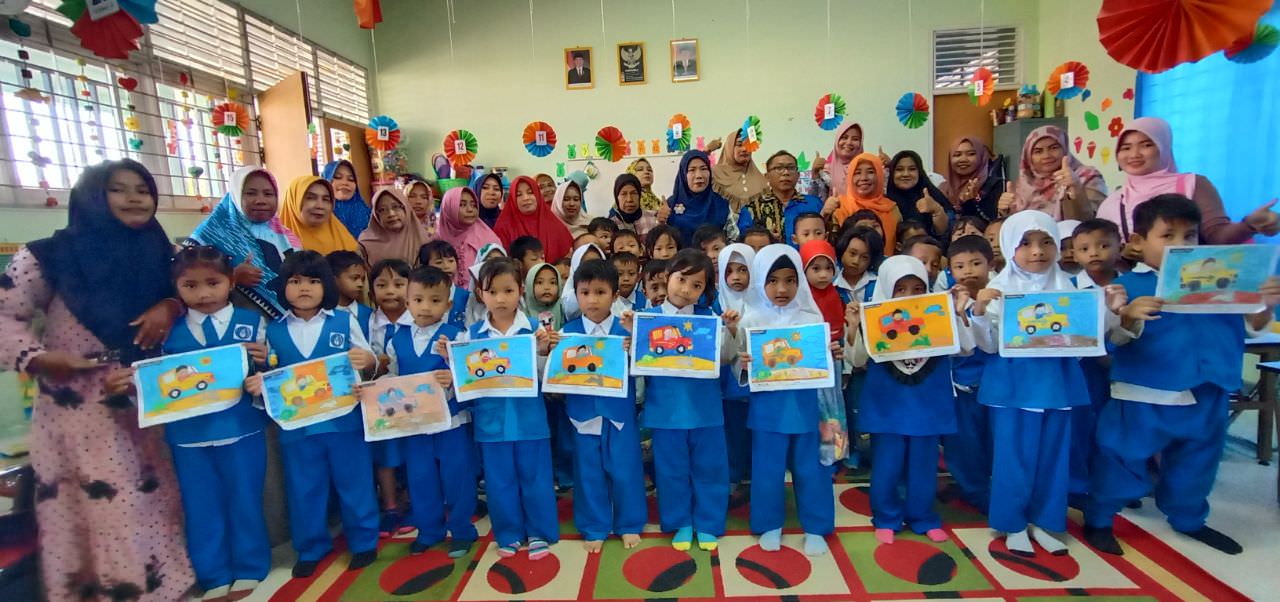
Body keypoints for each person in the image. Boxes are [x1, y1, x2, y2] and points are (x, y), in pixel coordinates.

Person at [0, 160, 193, 601]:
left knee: (155, 498)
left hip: (146, 396)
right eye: (119, 189)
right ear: (91, 197)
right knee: (105, 504)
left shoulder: (162, 253)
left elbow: (195, 288)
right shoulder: (48, 256)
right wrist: (39, 358)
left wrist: (170, 305)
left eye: (143, 189)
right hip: (80, 404)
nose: (134, 199)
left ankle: (165, 587)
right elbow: (5, 315)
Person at [1084, 195, 1280, 557]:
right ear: (1139, 242)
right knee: (1121, 457)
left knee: (1198, 461)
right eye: (1167, 236)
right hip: (1144, 393)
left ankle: (1189, 518)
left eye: (1189, 236)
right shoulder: (1125, 287)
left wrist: (1264, 305)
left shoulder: (1220, 281)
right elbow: (1109, 341)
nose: (1180, 245)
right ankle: (1099, 518)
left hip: (1209, 387)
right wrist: (1127, 317)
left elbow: (1250, 325)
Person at [970, 210, 1101, 557]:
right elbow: (987, 346)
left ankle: (1045, 521)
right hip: (1012, 388)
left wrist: (1108, 313)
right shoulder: (998, 289)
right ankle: (1012, 523)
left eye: (1046, 242)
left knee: (1053, 459)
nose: (1037, 251)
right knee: (1012, 459)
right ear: (1009, 247)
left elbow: (1083, 341)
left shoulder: (1069, 289)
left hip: (1057, 386)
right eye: (1025, 243)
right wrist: (980, 311)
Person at [244, 251, 378, 578]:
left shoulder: (343, 321)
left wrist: (368, 361)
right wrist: (259, 383)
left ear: (327, 286)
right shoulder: (272, 330)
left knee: (355, 483)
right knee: (304, 489)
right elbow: (267, 374)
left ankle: (364, 542)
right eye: (295, 281)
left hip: (344, 422)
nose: (304, 288)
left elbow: (369, 359)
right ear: (283, 286)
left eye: (314, 281)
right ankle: (311, 547)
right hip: (298, 428)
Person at [154, 246, 271, 600]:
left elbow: (273, 372)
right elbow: (156, 382)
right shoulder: (168, 331)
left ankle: (250, 566)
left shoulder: (252, 323)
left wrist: (266, 363)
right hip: (188, 437)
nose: (204, 293)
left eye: (213, 282)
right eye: (190, 285)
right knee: (200, 505)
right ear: (176, 287)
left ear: (231, 281)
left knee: (246, 499)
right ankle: (213, 573)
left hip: (242, 428)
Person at [847, 255, 969, 544]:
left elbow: (965, 348)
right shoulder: (872, 316)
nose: (909, 296)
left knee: (924, 465)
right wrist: (855, 326)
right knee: (887, 465)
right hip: (888, 405)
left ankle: (923, 516)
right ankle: (886, 516)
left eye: (918, 289)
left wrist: (958, 314)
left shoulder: (939, 315)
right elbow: (858, 360)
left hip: (927, 404)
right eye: (900, 289)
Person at [444, 258, 559, 559]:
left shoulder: (534, 328)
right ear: (480, 294)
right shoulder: (471, 335)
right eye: (492, 291)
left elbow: (547, 376)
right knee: (499, 482)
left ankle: (539, 532)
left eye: (508, 290)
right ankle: (509, 533)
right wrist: (450, 360)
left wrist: (544, 351)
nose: (500, 298)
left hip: (530, 421)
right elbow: (464, 379)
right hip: (491, 423)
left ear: (520, 290)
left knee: (535, 479)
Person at [627, 249, 740, 551]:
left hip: (706, 410)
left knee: (710, 468)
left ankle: (708, 523)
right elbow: (637, 364)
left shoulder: (709, 318)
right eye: (681, 279)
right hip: (665, 411)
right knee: (671, 471)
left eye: (696, 285)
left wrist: (731, 331)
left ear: (705, 290)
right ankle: (681, 522)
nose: (687, 289)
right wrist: (631, 335)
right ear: (668, 277)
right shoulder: (648, 318)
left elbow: (726, 358)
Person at [737, 245, 837, 556]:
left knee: (811, 469)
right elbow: (740, 366)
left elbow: (820, 363)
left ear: (799, 282)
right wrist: (743, 364)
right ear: (760, 281)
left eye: (790, 280)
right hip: (767, 411)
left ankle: (816, 527)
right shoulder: (751, 318)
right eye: (773, 280)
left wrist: (831, 354)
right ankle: (769, 524)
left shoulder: (810, 315)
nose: (782, 289)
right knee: (767, 470)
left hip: (806, 408)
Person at [556, 259, 647, 552]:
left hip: (619, 414)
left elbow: (646, 367)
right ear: (576, 294)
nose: (592, 300)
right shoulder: (567, 332)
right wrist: (549, 349)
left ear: (614, 294)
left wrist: (634, 348)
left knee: (626, 468)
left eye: (600, 292)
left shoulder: (626, 329)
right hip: (582, 414)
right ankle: (594, 525)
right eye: (585, 293)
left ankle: (629, 523)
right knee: (588, 472)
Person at [388, 266, 478, 558]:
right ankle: (429, 531)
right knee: (420, 478)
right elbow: (390, 378)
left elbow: (471, 376)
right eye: (418, 300)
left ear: (448, 305)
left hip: (451, 422)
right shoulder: (396, 339)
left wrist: (453, 373)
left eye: (435, 300)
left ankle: (462, 530)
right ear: (407, 301)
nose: (425, 307)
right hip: (415, 425)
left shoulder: (457, 336)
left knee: (457, 478)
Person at [1096, 116, 1280, 251]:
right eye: (1126, 148)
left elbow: (1217, 236)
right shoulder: (1112, 202)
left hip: (1192, 280)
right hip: (1135, 287)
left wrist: (1248, 225)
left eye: (1146, 145)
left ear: (1164, 147)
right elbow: (1101, 252)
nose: (1134, 154)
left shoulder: (1193, 184)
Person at [189, 165, 300, 319]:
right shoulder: (211, 235)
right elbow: (189, 284)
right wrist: (232, 278)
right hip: (232, 321)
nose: (261, 200)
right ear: (235, 195)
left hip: (287, 324)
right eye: (250, 193)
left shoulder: (287, 237)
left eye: (268, 194)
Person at [940, 234, 996, 511]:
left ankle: (997, 489)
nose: (968, 271)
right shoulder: (945, 303)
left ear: (991, 264)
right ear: (950, 270)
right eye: (960, 266)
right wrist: (958, 311)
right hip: (961, 387)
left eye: (976, 263)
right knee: (964, 444)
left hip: (995, 386)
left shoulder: (1001, 297)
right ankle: (974, 491)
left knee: (996, 441)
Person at [716, 243, 755, 499]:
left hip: (759, 383)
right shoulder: (714, 303)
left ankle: (752, 476)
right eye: (729, 271)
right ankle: (733, 476)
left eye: (743, 270)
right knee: (732, 432)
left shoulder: (763, 301)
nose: (736, 277)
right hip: (726, 384)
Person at [1013, 125, 1106, 221]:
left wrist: (1076, 188)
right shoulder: (1025, 184)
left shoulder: (1088, 176)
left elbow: (1095, 221)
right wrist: (1007, 211)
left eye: (1054, 148)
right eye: (1038, 151)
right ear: (1028, 156)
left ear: (1065, 149)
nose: (1046, 156)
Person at [737, 151, 829, 244]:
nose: (786, 172)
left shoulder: (813, 204)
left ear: (798, 175)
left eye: (791, 168)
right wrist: (766, 239)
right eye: (779, 168)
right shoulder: (752, 208)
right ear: (767, 176)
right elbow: (744, 241)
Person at [495, 175, 574, 263]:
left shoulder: (556, 225)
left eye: (530, 192)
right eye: (518, 195)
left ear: (537, 194)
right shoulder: (503, 228)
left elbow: (568, 259)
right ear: (512, 199)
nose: (526, 198)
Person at [434, 187, 502, 289]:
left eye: (473, 205)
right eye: (462, 205)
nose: (470, 210)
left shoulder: (488, 238)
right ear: (449, 207)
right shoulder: (435, 237)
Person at [834, 153, 900, 255]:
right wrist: (825, 213)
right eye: (857, 173)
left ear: (879, 175)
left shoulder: (892, 209)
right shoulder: (839, 206)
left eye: (870, 172)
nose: (864, 178)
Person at [280, 175, 359, 254]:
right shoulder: (278, 242)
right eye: (311, 198)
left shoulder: (342, 237)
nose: (320, 206)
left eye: (326, 199)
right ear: (294, 201)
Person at [712, 130, 768, 240]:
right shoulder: (714, 175)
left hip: (756, 240)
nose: (744, 149)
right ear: (729, 148)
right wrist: (707, 150)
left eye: (748, 145)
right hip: (723, 240)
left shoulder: (761, 179)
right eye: (739, 145)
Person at [667, 150, 730, 246]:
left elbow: (732, 241)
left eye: (703, 169)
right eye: (692, 170)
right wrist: (660, 222)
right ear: (683, 174)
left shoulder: (721, 204)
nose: (699, 176)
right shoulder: (669, 205)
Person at [940, 137, 1008, 223]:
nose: (963, 159)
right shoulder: (943, 188)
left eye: (971, 154)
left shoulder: (994, 185)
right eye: (957, 155)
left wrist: (974, 202)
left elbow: (994, 220)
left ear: (981, 156)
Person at [359, 188, 431, 267]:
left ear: (406, 208)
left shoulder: (421, 238)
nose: (391, 214)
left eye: (395, 207)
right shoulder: (366, 243)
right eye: (382, 210)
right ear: (376, 215)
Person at [885, 150, 950, 237]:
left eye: (912, 169)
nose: (905, 174)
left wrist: (936, 210)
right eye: (899, 169)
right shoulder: (884, 202)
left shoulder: (932, 196)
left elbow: (946, 234)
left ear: (920, 172)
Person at [419, 240, 470, 330]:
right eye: (439, 262)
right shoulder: (418, 295)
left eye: (451, 261)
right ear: (425, 266)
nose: (446, 266)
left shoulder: (465, 296)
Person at [809, 121, 863, 201]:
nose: (849, 142)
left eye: (855, 139)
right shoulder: (826, 171)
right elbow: (816, 202)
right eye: (844, 137)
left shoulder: (866, 168)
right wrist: (815, 174)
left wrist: (883, 168)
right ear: (837, 140)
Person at [329, 250, 374, 339]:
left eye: (362, 279)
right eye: (354, 278)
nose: (360, 284)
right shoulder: (321, 315)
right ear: (333, 279)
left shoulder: (370, 315)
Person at [323, 160, 369, 238]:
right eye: (338, 177)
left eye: (351, 179)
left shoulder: (367, 214)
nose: (345, 183)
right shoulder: (319, 213)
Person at [610, 173, 664, 237]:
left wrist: (661, 223)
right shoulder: (611, 226)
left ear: (639, 196)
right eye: (624, 194)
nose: (629, 199)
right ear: (617, 197)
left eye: (633, 193)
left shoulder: (654, 218)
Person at [525, 262, 564, 331]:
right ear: (530, 285)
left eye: (552, 282)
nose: (547, 287)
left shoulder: (564, 311)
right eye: (539, 282)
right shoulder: (521, 315)